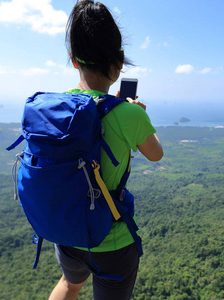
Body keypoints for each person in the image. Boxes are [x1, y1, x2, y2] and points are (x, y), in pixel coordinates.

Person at [48, 1, 163, 299]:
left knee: (69, 284)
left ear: (73, 59)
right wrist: (138, 114)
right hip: (111, 241)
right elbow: (155, 153)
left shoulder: (56, 108)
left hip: (68, 232)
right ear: (120, 60)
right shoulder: (129, 113)